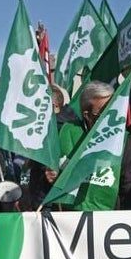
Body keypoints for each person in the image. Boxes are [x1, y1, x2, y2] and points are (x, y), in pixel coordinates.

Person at [51, 81, 118, 211]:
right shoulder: (66, 132)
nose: (109, 116)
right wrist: (50, 173)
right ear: (87, 115)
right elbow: (52, 173)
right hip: (68, 219)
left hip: (110, 219)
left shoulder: (124, 140)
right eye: (103, 112)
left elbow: (129, 186)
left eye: (113, 110)